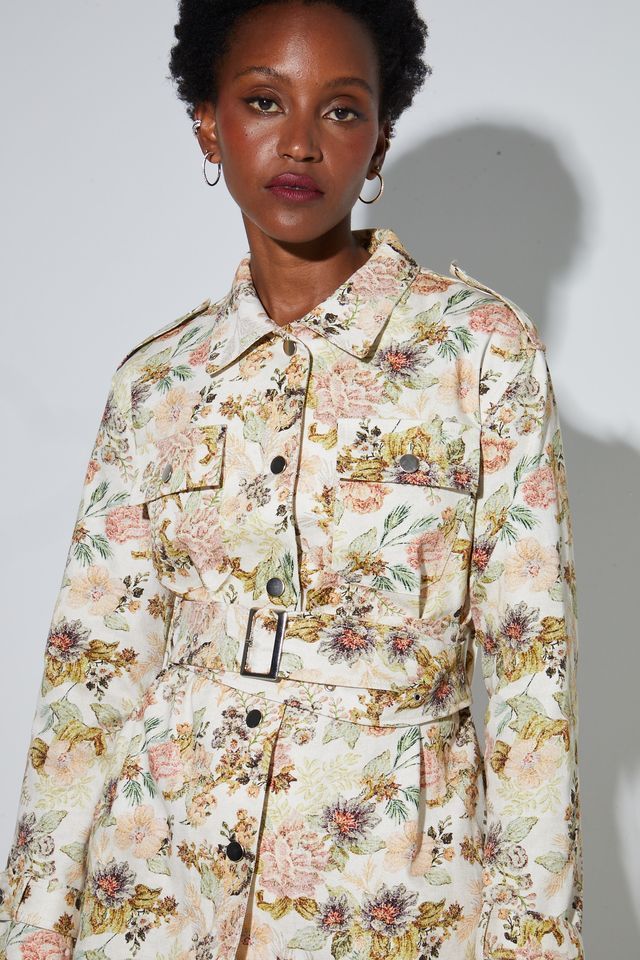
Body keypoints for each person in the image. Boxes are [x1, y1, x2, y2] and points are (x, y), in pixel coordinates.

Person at [0, 2, 584, 958]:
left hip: (392, 899)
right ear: (208, 123)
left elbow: (532, 692)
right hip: (157, 889)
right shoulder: (157, 382)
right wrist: (32, 933)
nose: (302, 142)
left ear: (380, 139)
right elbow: (89, 678)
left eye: (342, 110)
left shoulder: (483, 353)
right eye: (265, 101)